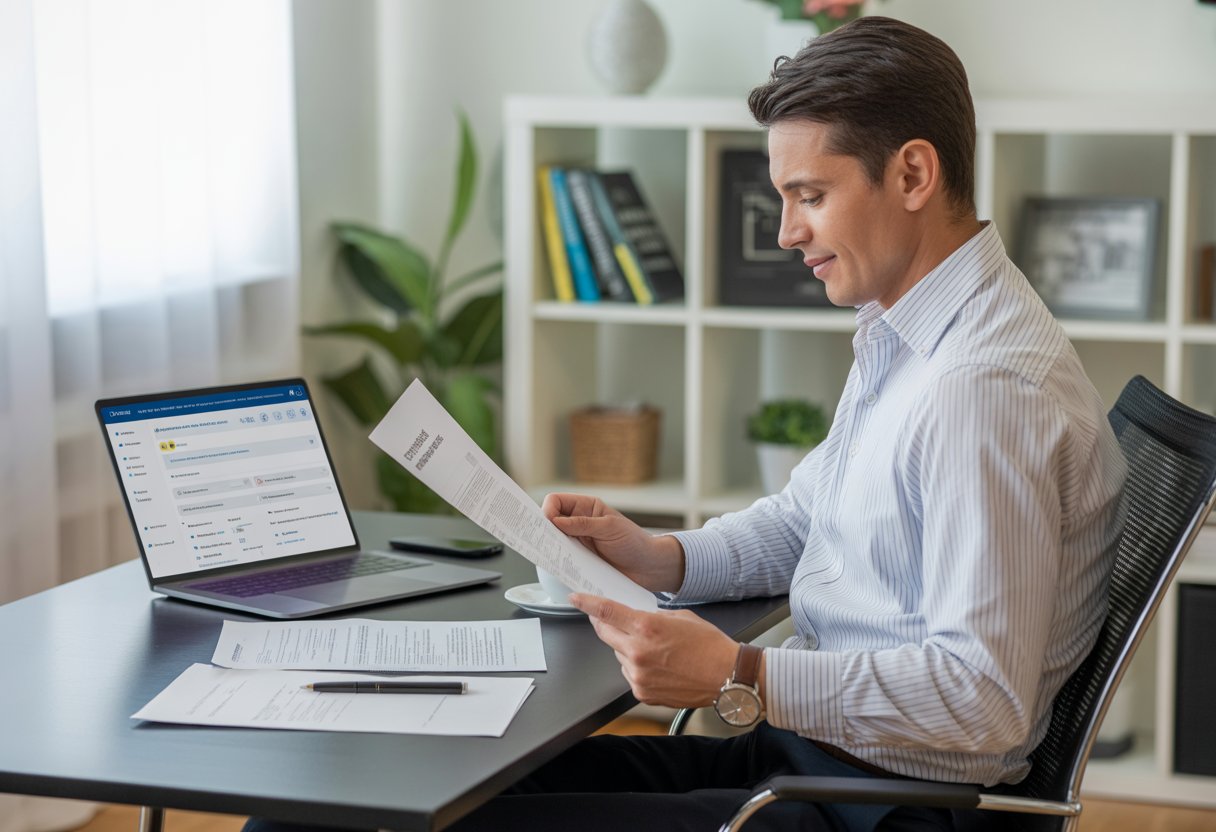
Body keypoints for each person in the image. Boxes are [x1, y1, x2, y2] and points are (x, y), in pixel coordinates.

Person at [243, 15, 1126, 832]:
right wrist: (663, 556)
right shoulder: (914, 330)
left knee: (334, 821)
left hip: (870, 807)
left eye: (809, 195)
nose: (785, 232)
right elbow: (808, 514)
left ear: (912, 174)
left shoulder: (983, 388)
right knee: (348, 798)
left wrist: (739, 672)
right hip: (809, 761)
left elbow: (983, 702)